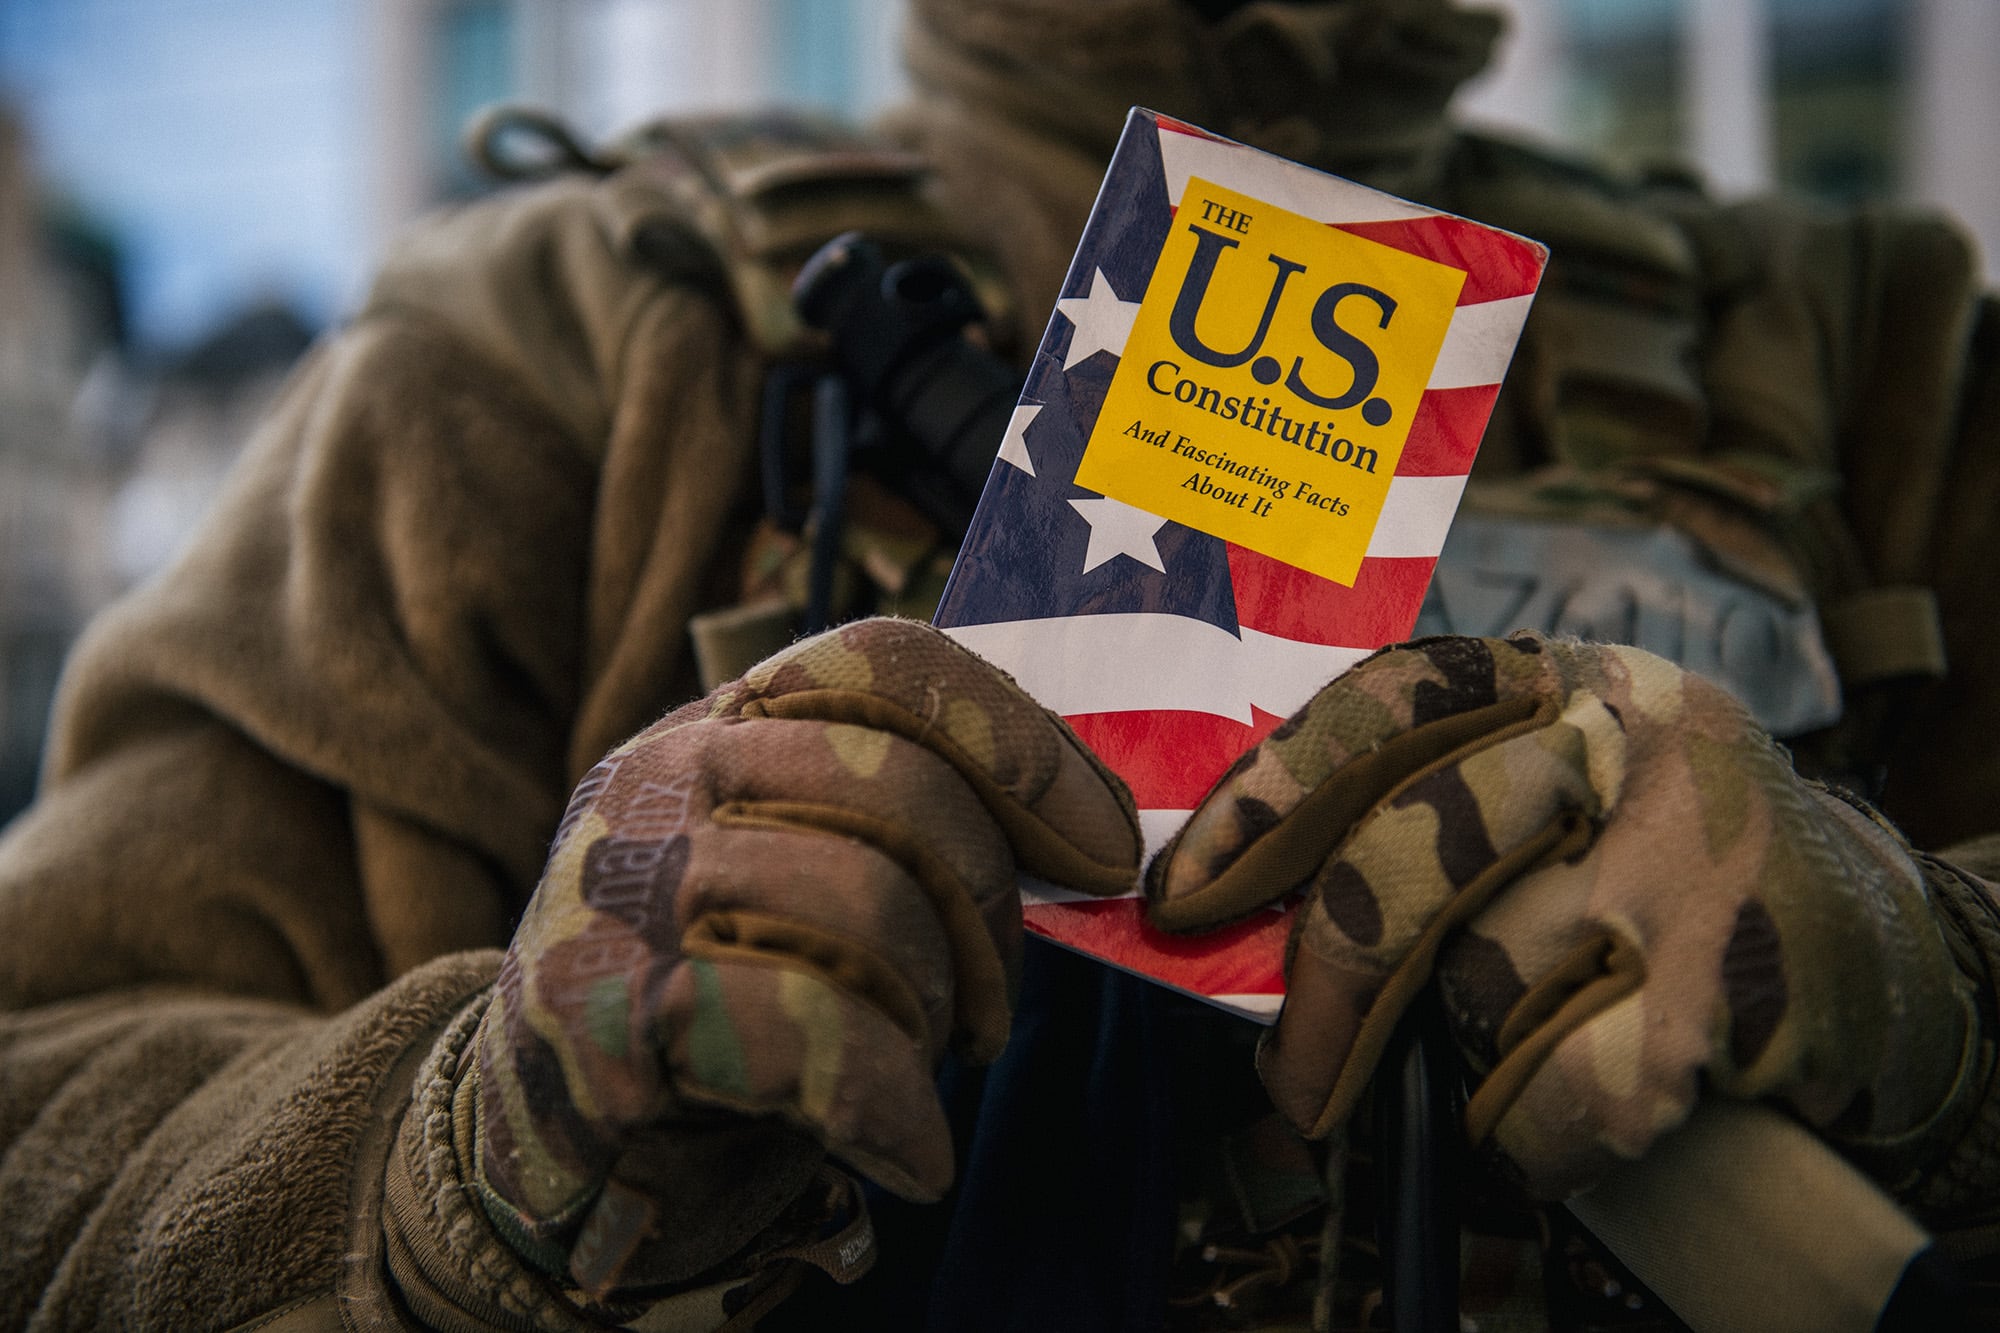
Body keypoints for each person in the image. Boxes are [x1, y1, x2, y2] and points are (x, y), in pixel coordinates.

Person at [3, 1, 1998, 1330]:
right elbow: (48, 1123)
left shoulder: (1866, 347)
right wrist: (482, 1141)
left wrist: (1921, 976)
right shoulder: (560, 347)